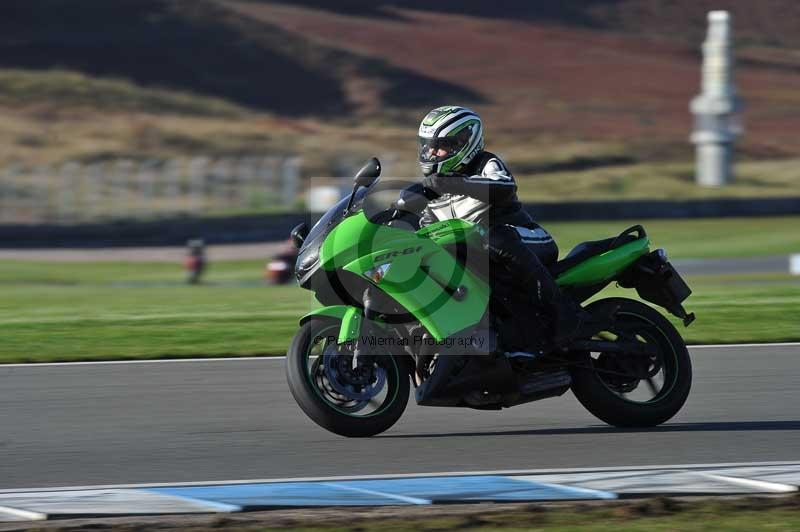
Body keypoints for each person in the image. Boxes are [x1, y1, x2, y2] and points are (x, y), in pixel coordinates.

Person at [417, 105, 590, 348]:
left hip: (528, 239)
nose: (431, 152)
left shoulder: (486, 162)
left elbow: (504, 187)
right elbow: (425, 233)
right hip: (485, 256)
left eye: (440, 145)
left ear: (463, 143)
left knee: (493, 236)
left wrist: (457, 184)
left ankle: (563, 312)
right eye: (427, 145)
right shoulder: (433, 192)